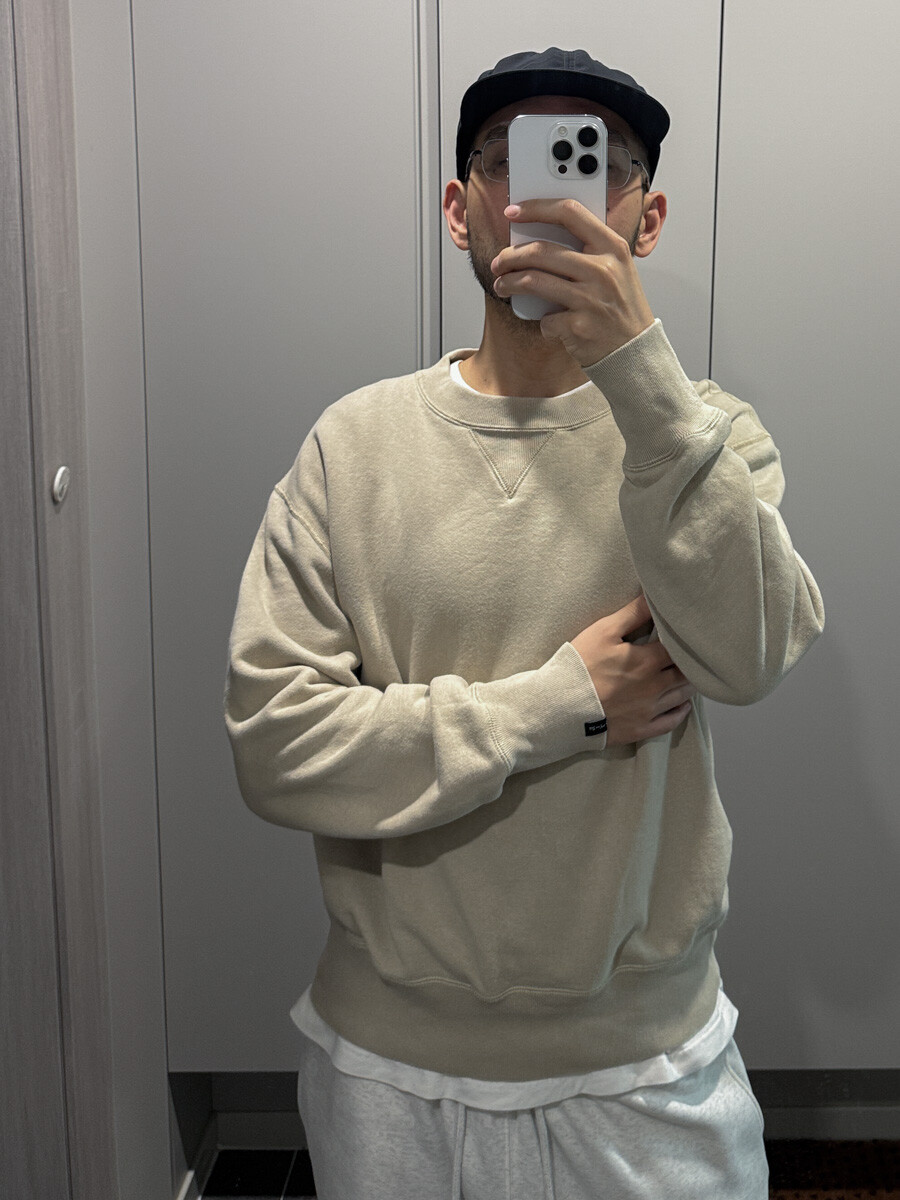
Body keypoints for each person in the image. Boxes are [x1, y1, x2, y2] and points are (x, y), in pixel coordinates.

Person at [224, 47, 824, 1200]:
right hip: (389, 1072)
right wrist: (563, 705)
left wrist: (642, 378)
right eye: (512, 162)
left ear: (646, 218)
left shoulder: (707, 434)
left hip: (648, 1068)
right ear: (463, 209)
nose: (547, 195)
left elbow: (749, 657)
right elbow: (275, 746)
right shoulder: (354, 447)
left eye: (594, 165)